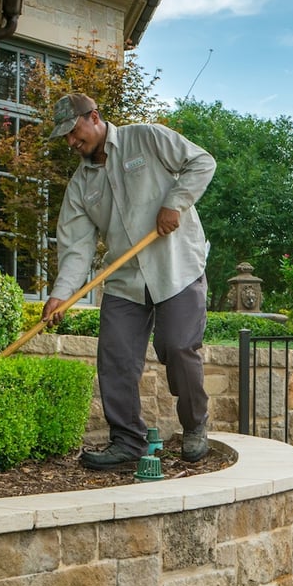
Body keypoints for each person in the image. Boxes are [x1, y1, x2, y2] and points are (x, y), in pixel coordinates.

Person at [42, 93, 216, 471]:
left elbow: (202, 162)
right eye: (66, 138)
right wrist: (60, 295)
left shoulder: (146, 138)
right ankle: (127, 442)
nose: (71, 142)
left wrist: (176, 202)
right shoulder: (80, 186)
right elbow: (77, 248)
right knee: (115, 357)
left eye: (73, 132)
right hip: (125, 280)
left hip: (176, 267)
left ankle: (195, 425)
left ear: (94, 117)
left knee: (177, 346)